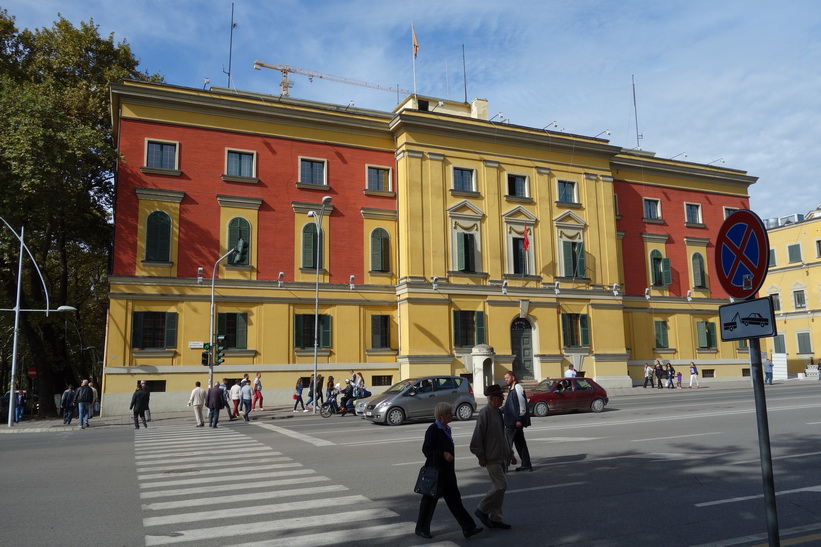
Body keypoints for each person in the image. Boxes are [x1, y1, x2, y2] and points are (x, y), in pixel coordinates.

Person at [415, 401, 483, 540]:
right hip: (436, 473)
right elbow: (426, 450)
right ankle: (421, 529)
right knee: (429, 502)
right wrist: (443, 454)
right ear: (441, 415)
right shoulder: (433, 430)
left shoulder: (446, 429)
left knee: (455, 501)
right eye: (449, 413)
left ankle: (468, 528)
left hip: (447, 473)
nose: (451, 415)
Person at [470, 384, 515, 531]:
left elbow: (501, 437)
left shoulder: (497, 412)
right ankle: (482, 510)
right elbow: (477, 437)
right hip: (491, 457)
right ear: (492, 399)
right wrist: (480, 456)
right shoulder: (485, 413)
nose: (502, 400)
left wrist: (510, 454)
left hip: (501, 456)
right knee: (501, 485)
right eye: (500, 398)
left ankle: (496, 518)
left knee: (499, 489)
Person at [502, 370, 532, 472]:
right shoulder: (512, 388)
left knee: (507, 444)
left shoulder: (518, 388)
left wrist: (519, 419)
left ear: (513, 378)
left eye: (507, 378)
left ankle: (504, 467)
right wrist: (498, 410)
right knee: (520, 443)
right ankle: (526, 464)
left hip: (514, 422)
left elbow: (522, 404)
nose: (505, 379)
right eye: (505, 378)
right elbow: (508, 406)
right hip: (512, 421)